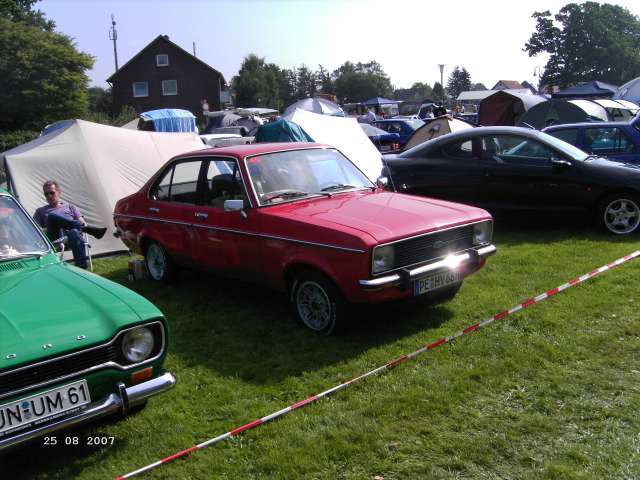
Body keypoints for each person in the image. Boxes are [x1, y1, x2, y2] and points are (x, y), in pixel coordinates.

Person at [33, 180, 106, 269]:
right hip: (55, 239)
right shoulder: (40, 211)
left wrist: (80, 225)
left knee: (74, 232)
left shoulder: (70, 207)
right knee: (51, 216)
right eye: (46, 194)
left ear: (59, 192)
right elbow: (34, 229)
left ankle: (81, 267)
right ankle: (90, 230)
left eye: (52, 193)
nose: (49, 196)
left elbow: (82, 222)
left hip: (71, 237)